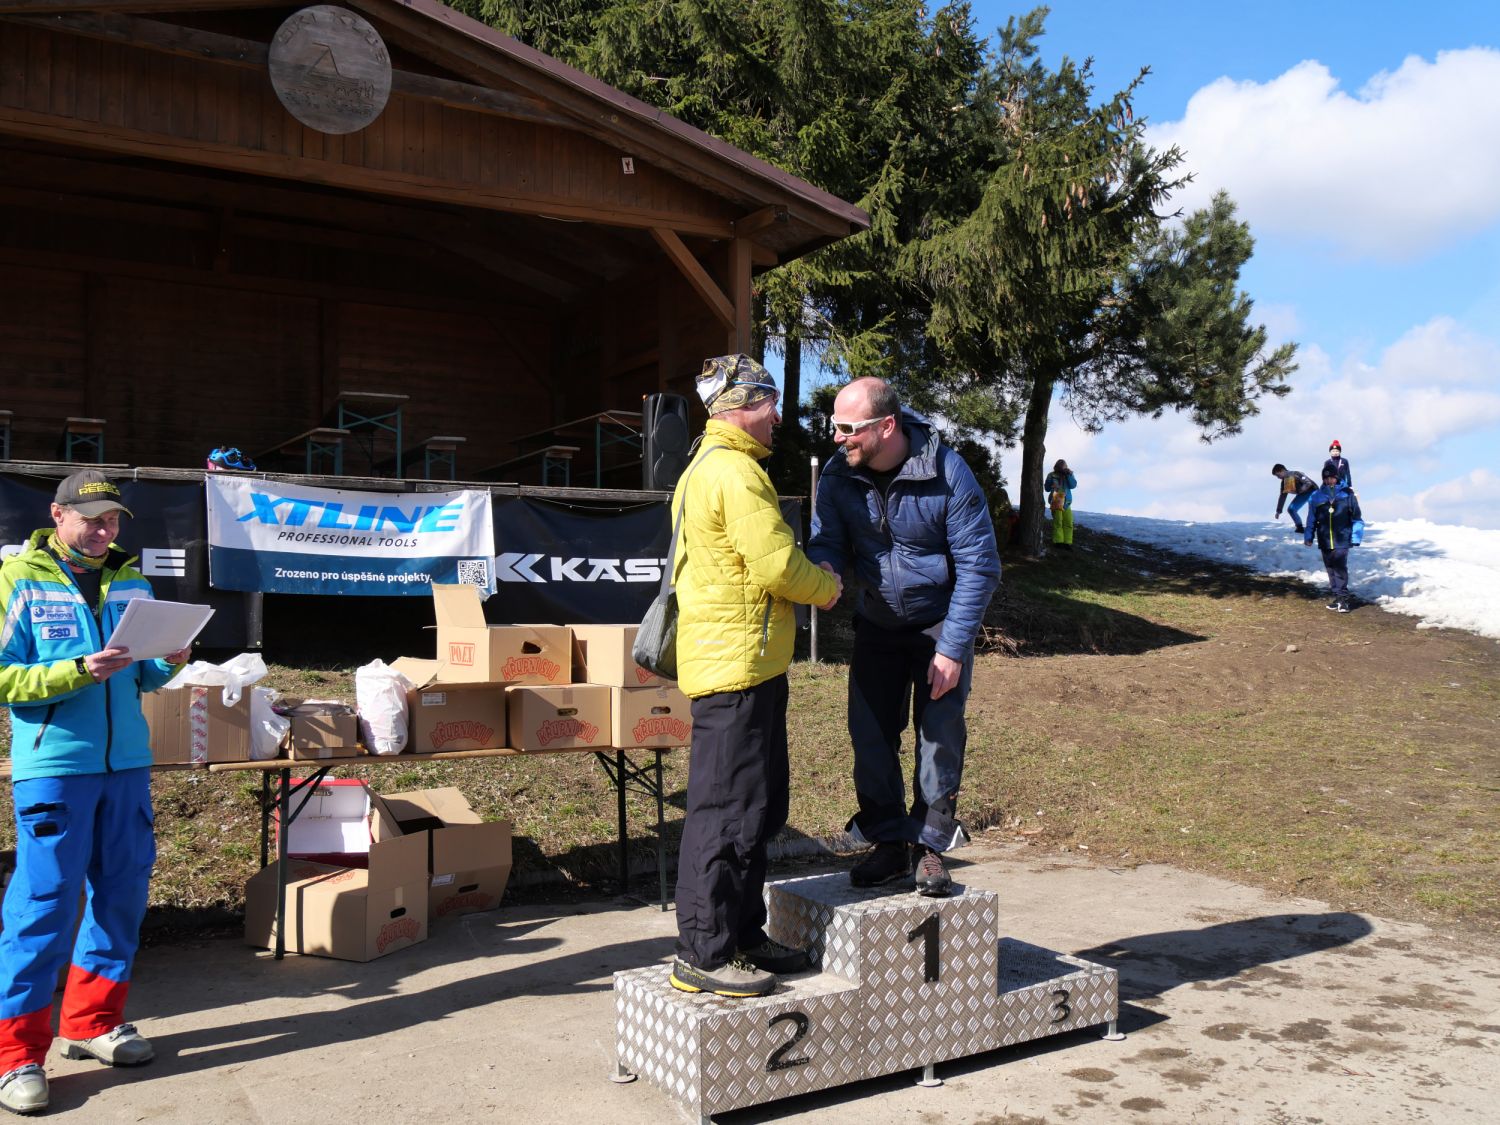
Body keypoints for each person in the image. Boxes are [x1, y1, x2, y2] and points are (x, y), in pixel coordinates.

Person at [0, 470, 192, 1116]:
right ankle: (15, 1055)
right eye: (92, 520)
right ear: (57, 515)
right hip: (55, 767)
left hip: (127, 765)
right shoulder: (18, 579)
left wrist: (168, 660)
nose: (104, 531)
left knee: (121, 895)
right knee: (43, 906)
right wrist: (78, 670)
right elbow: (4, 678)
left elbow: (143, 676)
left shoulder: (131, 580)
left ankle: (92, 1023)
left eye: (112, 520)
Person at [667, 354, 841, 999]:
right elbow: (777, 566)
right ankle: (703, 954)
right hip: (734, 670)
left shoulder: (711, 466)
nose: (778, 418)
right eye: (770, 404)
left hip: (749, 664)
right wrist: (826, 588)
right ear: (743, 406)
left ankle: (742, 934)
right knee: (725, 814)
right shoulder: (734, 472)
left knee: (757, 807)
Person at [808, 378, 1001, 897]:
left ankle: (930, 847)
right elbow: (826, 539)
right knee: (870, 736)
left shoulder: (949, 473)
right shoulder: (838, 474)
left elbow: (980, 566)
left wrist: (953, 648)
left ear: (887, 426)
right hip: (877, 624)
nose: (837, 437)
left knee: (938, 738)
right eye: (834, 426)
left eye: (847, 428)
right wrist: (824, 567)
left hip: (940, 625)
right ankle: (890, 844)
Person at [1304, 465, 1363, 612]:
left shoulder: (1347, 494)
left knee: (1339, 567)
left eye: (1332, 477)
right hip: (1324, 539)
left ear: (1337, 478)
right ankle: (1337, 597)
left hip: (1342, 538)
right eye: (1326, 478)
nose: (1329, 480)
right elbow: (1311, 518)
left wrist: (1356, 537)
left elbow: (1357, 517)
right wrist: (1309, 535)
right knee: (1330, 567)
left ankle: (1344, 599)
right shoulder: (1316, 496)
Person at [1271, 463, 1318, 533]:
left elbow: (1308, 483)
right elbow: (1282, 497)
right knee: (1291, 509)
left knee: (1314, 510)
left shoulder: (1296, 474)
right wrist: (1278, 511)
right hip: (1302, 494)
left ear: (1282, 470)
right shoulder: (1284, 483)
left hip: (1312, 491)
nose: (1278, 478)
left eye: (1278, 475)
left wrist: (1301, 490)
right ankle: (1299, 527)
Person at [1043, 460, 1078, 549]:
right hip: (1056, 499)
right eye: (1062, 466)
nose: (1063, 468)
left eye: (1064, 466)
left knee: (1068, 522)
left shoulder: (1068, 474)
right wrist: (1051, 484)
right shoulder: (1051, 475)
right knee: (1058, 521)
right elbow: (1047, 488)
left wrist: (1069, 475)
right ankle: (1058, 542)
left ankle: (1067, 543)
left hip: (1067, 501)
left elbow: (1073, 485)